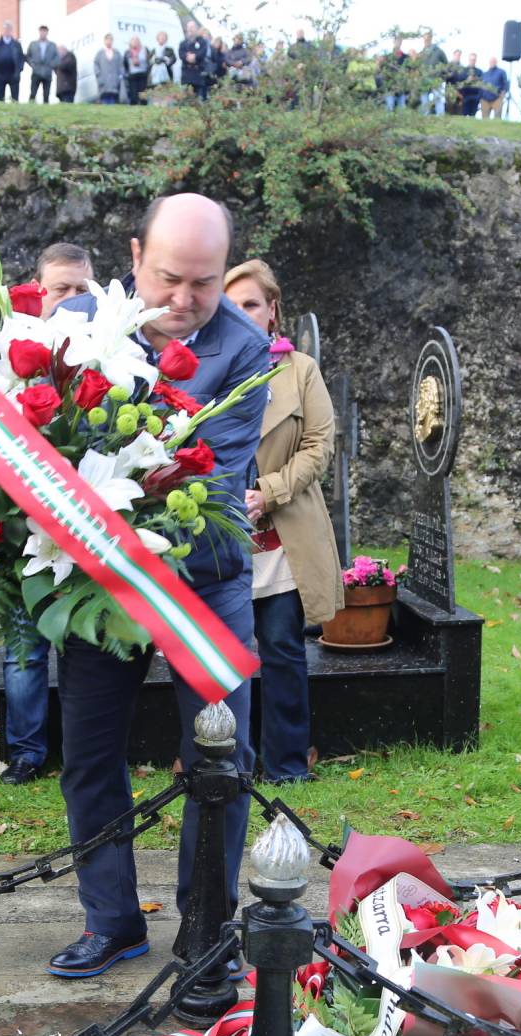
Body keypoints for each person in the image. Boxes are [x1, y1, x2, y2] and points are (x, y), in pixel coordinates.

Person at [48, 194, 271, 979]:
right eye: (169, 278)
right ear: (135, 255)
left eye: (204, 284)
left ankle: (207, 926)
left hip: (202, 581)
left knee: (222, 758)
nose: (184, 300)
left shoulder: (247, 352)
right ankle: (110, 922)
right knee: (87, 752)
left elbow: (208, 474)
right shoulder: (73, 321)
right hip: (92, 579)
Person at [222, 260, 341, 783]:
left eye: (251, 303)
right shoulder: (209, 365)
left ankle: (288, 765)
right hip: (222, 538)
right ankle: (225, 762)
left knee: (283, 651)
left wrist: (268, 492)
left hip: (282, 536)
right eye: (231, 305)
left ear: (272, 311)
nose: (242, 314)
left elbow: (319, 447)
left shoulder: (301, 370)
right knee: (223, 657)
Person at [0, 243, 94, 787]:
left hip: (88, 517)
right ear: (38, 292)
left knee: (85, 643)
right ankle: (26, 752)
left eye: (83, 290)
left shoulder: (104, 350)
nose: (74, 301)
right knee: (24, 644)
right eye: (61, 290)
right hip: (23, 518)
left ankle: (85, 746)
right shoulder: (16, 350)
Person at [179, 21, 211, 100]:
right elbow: (181, 53)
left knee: (198, 99)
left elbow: (202, 53)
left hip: (198, 75)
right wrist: (188, 57)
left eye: (192, 27)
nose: (190, 29)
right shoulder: (183, 43)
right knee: (185, 99)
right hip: (186, 75)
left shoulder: (202, 41)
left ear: (196, 29)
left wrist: (195, 56)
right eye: (189, 27)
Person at [0, 22, 22, 101]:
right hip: (0, 74)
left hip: (13, 74)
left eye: (9, 29)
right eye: (5, 29)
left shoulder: (16, 44)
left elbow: (21, 58)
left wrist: (19, 70)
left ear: (12, 30)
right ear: (3, 30)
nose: (7, 31)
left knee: (15, 98)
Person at [26, 26, 56, 103]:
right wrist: (32, 64)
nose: (43, 33)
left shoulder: (52, 45)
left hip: (47, 73)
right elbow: (28, 56)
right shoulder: (33, 44)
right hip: (36, 72)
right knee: (33, 93)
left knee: (46, 94)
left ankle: (46, 111)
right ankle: (30, 107)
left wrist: (51, 65)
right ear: (39, 32)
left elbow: (56, 57)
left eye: (45, 31)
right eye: (41, 31)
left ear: (47, 33)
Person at [92, 33, 123, 104]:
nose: (109, 41)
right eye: (107, 39)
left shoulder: (117, 53)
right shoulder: (100, 53)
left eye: (111, 39)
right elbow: (96, 65)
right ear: (104, 41)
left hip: (114, 82)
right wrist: (99, 76)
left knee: (113, 99)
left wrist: (120, 77)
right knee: (104, 99)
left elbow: (121, 66)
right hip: (103, 83)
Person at [123, 36, 150, 105]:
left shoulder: (144, 50)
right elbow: (125, 63)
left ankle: (144, 106)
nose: (135, 43)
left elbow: (149, 61)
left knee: (143, 93)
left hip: (143, 74)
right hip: (132, 75)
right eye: (133, 41)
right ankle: (134, 106)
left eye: (136, 41)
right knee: (133, 93)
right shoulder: (128, 52)